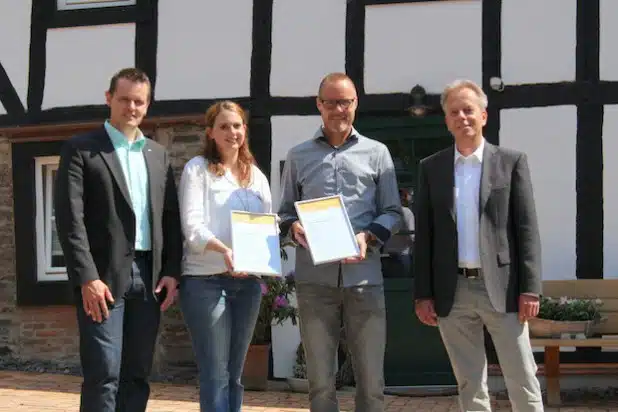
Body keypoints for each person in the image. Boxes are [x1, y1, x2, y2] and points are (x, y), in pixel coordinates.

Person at [54, 67, 183, 412]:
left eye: (139, 101)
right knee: (103, 374)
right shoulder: (81, 150)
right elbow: (70, 221)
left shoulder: (158, 155)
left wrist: (172, 271)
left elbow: (170, 219)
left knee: (137, 374)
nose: (132, 107)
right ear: (109, 98)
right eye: (124, 99)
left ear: (147, 105)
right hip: (103, 278)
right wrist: (87, 278)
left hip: (150, 278)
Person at [413, 79, 544, 412]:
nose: (462, 117)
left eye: (468, 110)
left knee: (521, 376)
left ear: (483, 115)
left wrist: (531, 288)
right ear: (446, 121)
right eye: (454, 112)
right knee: (469, 382)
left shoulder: (511, 162)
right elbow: (425, 235)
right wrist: (423, 294)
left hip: (502, 287)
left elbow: (526, 228)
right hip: (451, 290)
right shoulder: (431, 168)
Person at [278, 72, 402, 412]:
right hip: (314, 282)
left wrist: (369, 235)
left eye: (344, 101)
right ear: (319, 105)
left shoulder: (377, 154)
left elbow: (393, 211)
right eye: (330, 102)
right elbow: (284, 213)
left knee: (372, 382)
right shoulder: (299, 156)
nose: (338, 109)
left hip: (365, 280)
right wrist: (293, 230)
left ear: (355, 104)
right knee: (320, 383)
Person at [178, 101, 271, 412]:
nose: (232, 132)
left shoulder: (256, 176)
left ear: (244, 130)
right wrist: (224, 250)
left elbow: (266, 225)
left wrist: (263, 256)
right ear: (210, 133)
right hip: (206, 283)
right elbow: (192, 226)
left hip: (247, 284)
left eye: (237, 125)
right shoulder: (197, 170)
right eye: (224, 126)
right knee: (216, 374)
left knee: (235, 375)